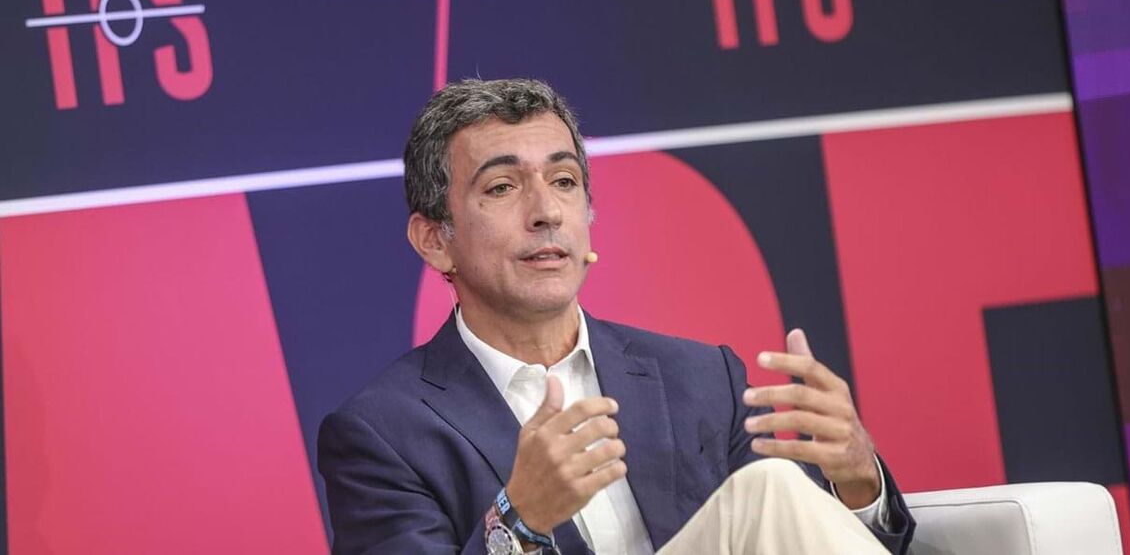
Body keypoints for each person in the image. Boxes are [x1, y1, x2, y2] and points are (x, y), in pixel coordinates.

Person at [318, 78, 916, 554]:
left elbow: (800, 537)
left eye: (564, 180)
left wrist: (858, 481)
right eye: (502, 187)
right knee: (768, 487)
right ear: (434, 241)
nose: (547, 211)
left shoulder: (703, 379)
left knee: (772, 487)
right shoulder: (383, 433)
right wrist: (518, 522)